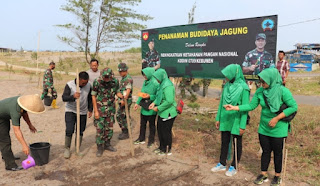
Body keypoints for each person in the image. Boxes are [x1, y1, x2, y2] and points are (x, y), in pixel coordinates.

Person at [224, 68, 298, 186]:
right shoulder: (260, 92)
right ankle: (263, 174)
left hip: (279, 129)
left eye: (264, 82)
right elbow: (251, 106)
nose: (261, 84)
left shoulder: (283, 91)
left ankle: (277, 176)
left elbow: (293, 107)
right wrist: (234, 107)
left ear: (271, 80)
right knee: (265, 151)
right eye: (260, 82)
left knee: (278, 153)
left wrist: (277, 118)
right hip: (263, 128)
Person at [211, 64, 250, 177]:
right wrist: (218, 118)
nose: (226, 77)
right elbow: (221, 103)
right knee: (224, 142)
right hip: (225, 118)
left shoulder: (244, 88)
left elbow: (245, 108)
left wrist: (242, 125)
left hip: (237, 120)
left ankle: (234, 166)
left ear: (234, 74)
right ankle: (222, 163)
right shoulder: (227, 85)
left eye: (227, 75)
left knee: (236, 143)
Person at [0, 94, 45, 171]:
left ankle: (7, 156)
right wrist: (24, 145)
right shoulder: (15, 111)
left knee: (5, 135)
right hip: (1, 117)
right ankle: (10, 165)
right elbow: (17, 131)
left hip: (3, 116)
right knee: (4, 140)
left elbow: (24, 113)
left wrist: (30, 125)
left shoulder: (22, 103)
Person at [62, 71, 93, 159]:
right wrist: (73, 96)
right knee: (69, 129)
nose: (84, 84)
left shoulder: (88, 85)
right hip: (70, 110)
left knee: (80, 131)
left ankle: (77, 149)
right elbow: (64, 98)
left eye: (86, 82)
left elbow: (90, 98)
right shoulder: (69, 85)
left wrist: (90, 109)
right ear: (78, 79)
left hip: (82, 111)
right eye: (83, 83)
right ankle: (67, 149)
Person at [149, 69, 177, 155]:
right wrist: (153, 103)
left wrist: (159, 108)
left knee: (166, 131)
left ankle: (167, 149)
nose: (156, 80)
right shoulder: (161, 84)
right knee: (160, 130)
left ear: (162, 76)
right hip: (162, 112)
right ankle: (161, 147)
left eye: (157, 78)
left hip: (168, 113)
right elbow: (159, 97)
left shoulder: (168, 86)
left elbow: (169, 101)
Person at [92, 68, 119, 157]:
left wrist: (122, 96)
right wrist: (95, 111)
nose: (107, 79)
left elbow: (117, 92)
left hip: (110, 109)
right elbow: (93, 96)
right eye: (105, 77)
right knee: (100, 129)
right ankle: (100, 147)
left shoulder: (115, 81)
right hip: (100, 109)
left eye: (108, 77)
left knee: (109, 128)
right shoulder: (97, 82)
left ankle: (107, 144)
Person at [134, 67, 159, 148]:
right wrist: (137, 103)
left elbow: (159, 96)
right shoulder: (145, 82)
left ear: (150, 74)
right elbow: (142, 93)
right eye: (143, 75)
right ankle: (141, 138)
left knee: (151, 125)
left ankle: (151, 140)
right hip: (144, 106)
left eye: (145, 75)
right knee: (143, 124)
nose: (144, 76)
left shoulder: (155, 83)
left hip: (151, 107)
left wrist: (150, 96)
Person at [116, 63, 133, 140]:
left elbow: (128, 90)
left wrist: (124, 100)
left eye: (121, 71)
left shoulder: (127, 79)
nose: (120, 73)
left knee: (122, 116)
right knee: (121, 116)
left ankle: (126, 132)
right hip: (122, 99)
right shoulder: (124, 78)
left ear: (125, 70)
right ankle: (124, 130)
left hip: (125, 101)